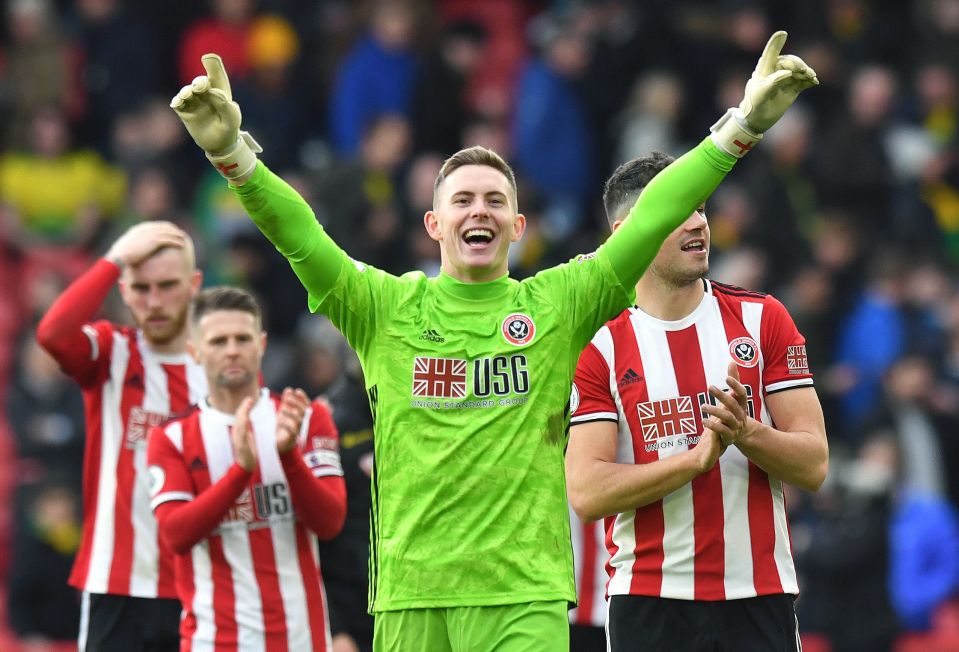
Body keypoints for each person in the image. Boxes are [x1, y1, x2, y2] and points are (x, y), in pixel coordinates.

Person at [170, 31, 817, 650]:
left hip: (523, 594)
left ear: (516, 225)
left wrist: (740, 127)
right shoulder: (383, 307)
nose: (477, 209)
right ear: (433, 224)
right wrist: (234, 158)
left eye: (492, 199)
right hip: (409, 594)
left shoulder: (558, 304)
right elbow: (300, 237)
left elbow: (652, 214)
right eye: (461, 200)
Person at [565, 150, 829, 651]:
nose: (697, 224)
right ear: (625, 234)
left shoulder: (763, 319)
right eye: (677, 210)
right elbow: (587, 491)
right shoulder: (599, 346)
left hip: (759, 594)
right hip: (649, 603)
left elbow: (814, 464)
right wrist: (694, 461)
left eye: (701, 208)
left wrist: (747, 433)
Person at [35, 220, 205, 651]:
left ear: (195, 284)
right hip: (117, 584)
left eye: (167, 285)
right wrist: (114, 260)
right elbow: (53, 334)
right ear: (125, 291)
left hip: (200, 587)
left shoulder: (221, 370)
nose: (155, 301)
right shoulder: (113, 351)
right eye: (141, 288)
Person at [146, 286, 347, 650]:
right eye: (219, 341)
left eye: (242, 338)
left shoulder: (303, 419)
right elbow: (176, 535)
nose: (233, 349)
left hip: (302, 639)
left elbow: (330, 522)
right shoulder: (172, 437)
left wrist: (288, 456)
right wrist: (240, 472)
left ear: (262, 343)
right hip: (215, 640)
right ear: (195, 350)